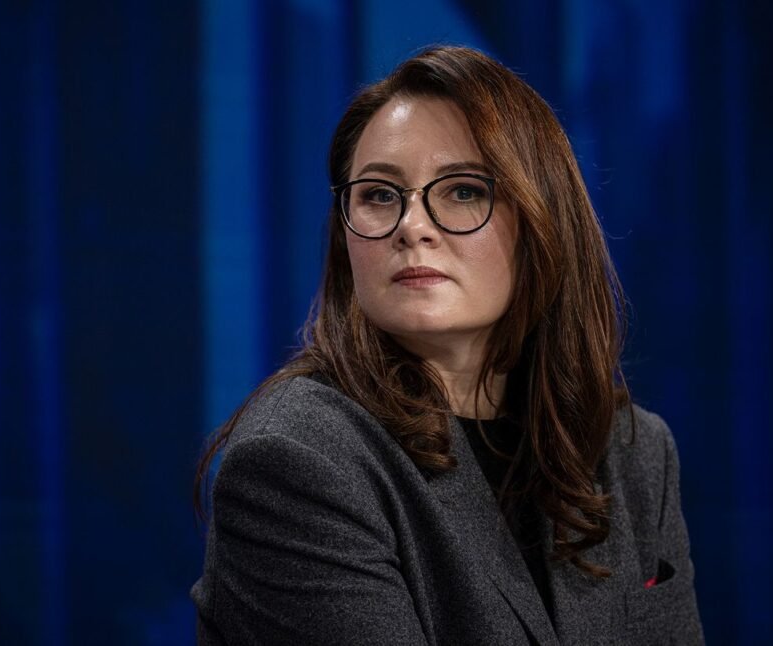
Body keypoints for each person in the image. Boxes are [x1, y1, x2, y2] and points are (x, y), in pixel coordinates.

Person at [191, 46, 704, 645]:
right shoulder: (297, 461)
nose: (412, 226)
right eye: (380, 195)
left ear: (543, 222)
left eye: (463, 191)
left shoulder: (636, 453)